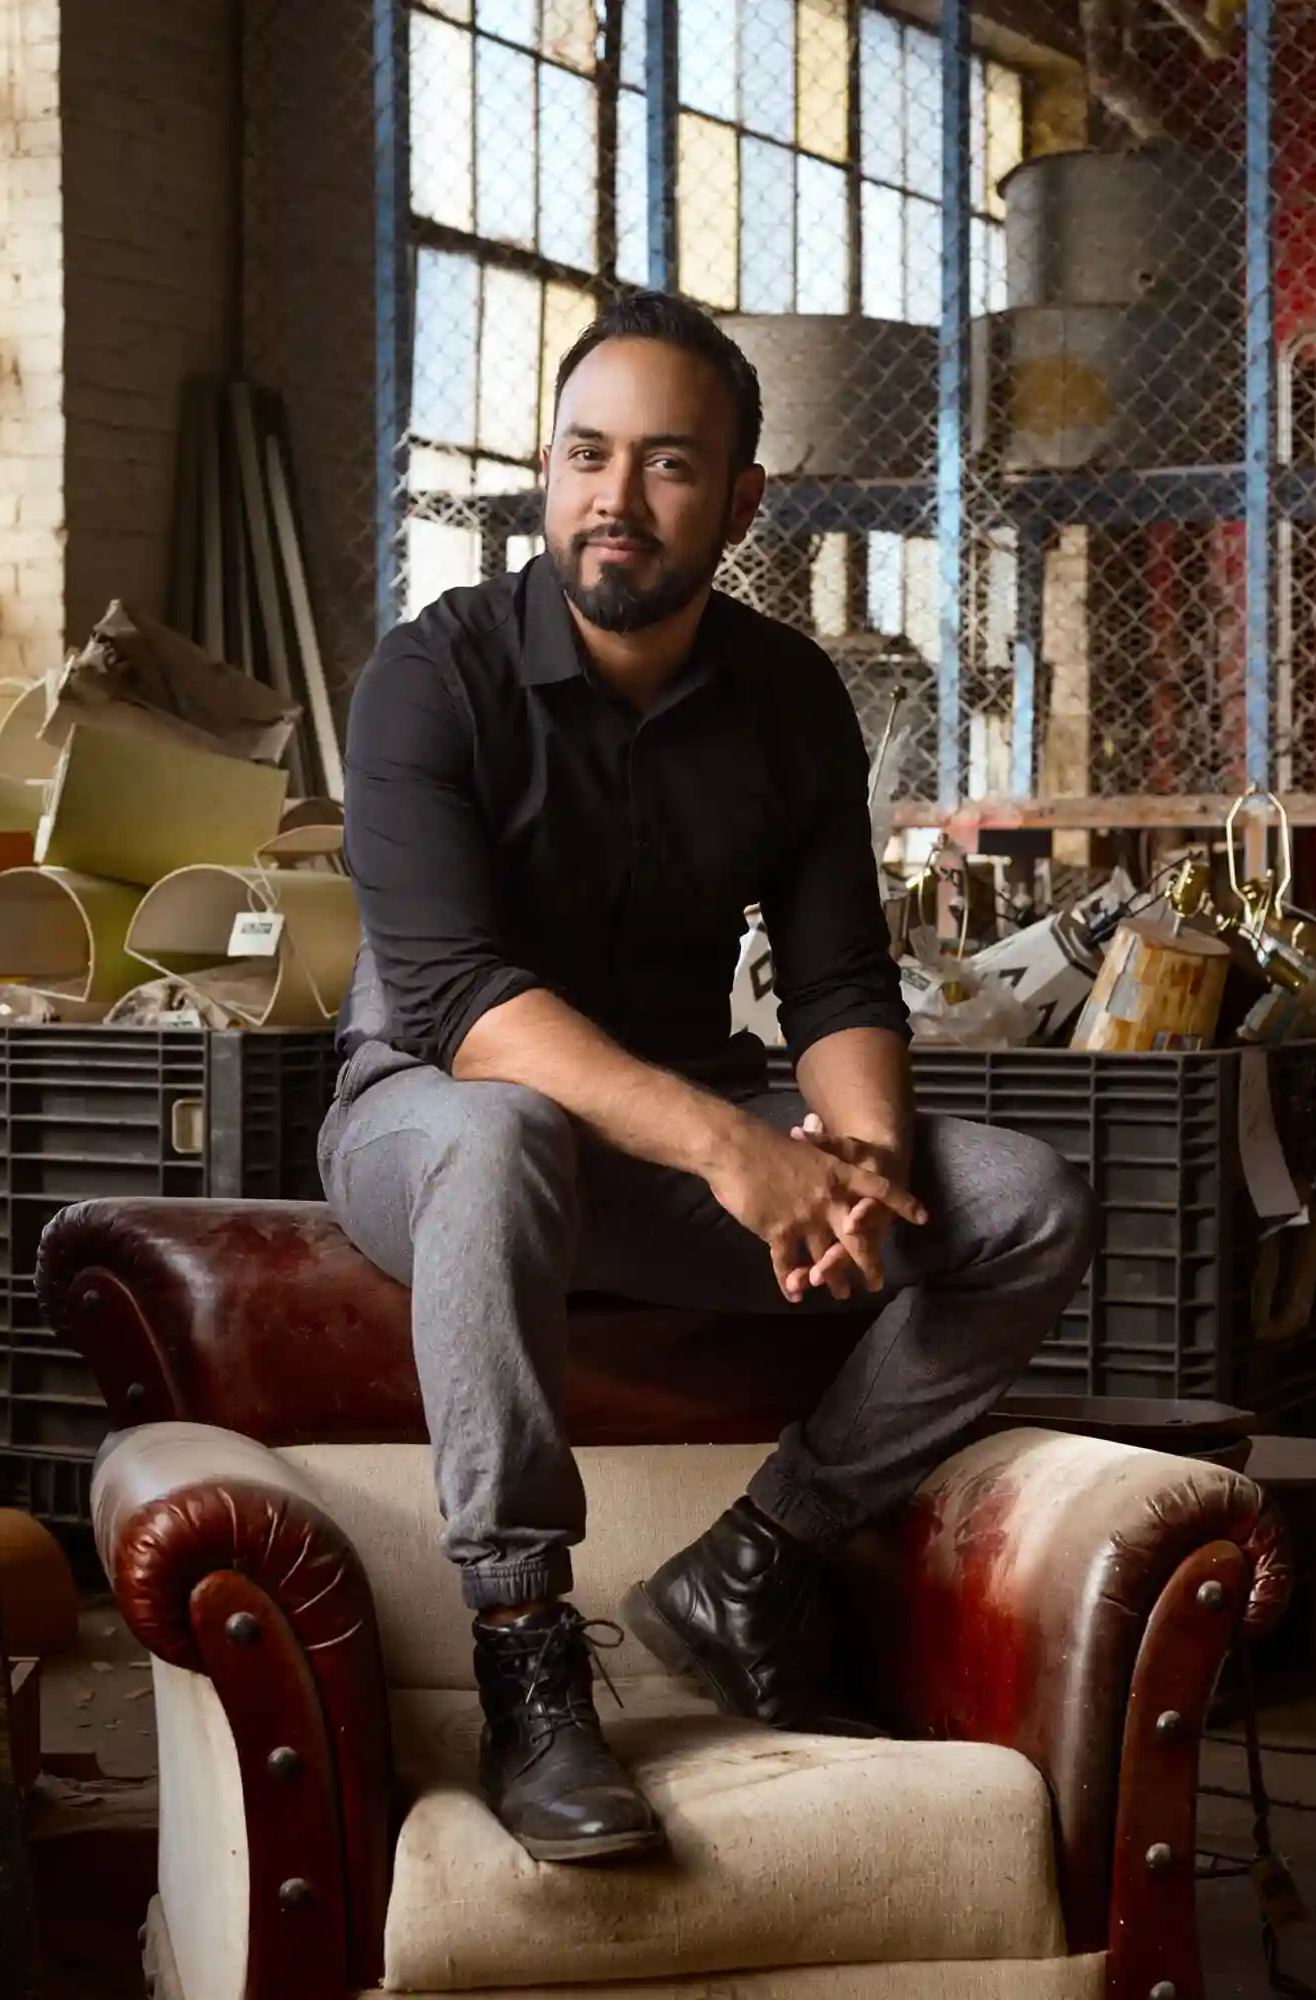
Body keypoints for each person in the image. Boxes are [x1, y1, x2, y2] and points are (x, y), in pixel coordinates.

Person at [319, 289, 1096, 1864]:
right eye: (585, 454)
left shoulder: (790, 698)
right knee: (502, 1130)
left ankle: (764, 1559)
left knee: (1022, 1202)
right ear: (546, 473)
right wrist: (743, 1160)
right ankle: (529, 1662)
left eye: (668, 464)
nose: (615, 496)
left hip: (674, 1133)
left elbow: (836, 981)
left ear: (741, 501)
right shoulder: (432, 676)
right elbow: (466, 1003)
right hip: (431, 1120)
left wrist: (859, 1159)